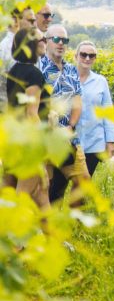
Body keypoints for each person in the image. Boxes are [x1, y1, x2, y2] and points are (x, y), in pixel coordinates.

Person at [39, 24, 90, 207]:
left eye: (65, 40)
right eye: (56, 39)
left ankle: (73, 222)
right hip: (45, 138)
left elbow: (77, 102)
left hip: (69, 138)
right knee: (44, 186)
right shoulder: (38, 68)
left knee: (83, 181)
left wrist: (70, 127)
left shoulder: (71, 70)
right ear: (46, 42)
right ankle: (43, 227)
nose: (61, 43)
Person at [3, 28, 50, 210]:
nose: (44, 42)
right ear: (32, 44)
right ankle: (14, 237)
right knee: (22, 195)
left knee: (41, 193)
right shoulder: (33, 74)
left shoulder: (14, 70)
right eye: (41, 39)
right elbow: (32, 113)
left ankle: (51, 237)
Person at [75, 40, 114, 176]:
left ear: (95, 59)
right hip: (69, 142)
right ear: (76, 56)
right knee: (58, 185)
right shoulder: (66, 79)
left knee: (83, 185)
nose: (87, 58)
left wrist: (110, 141)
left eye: (91, 56)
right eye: (83, 54)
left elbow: (108, 113)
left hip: (93, 143)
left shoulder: (100, 81)